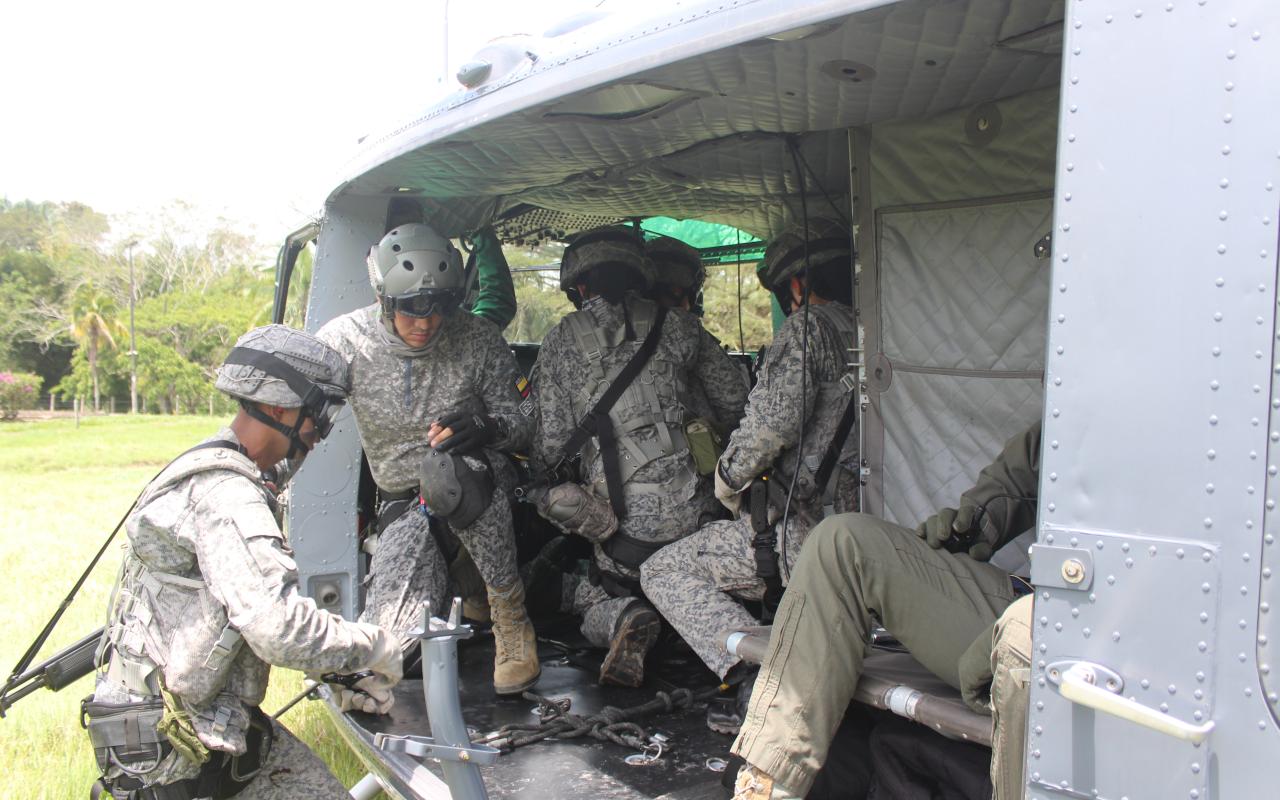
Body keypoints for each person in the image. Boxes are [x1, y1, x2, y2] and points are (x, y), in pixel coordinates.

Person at [86, 325, 403, 800]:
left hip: (216, 721)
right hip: (169, 745)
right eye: (321, 411)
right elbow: (278, 629)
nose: (322, 429)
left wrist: (336, 671)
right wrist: (373, 647)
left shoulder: (237, 475)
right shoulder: (226, 495)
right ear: (279, 407)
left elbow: (231, 617)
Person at [727, 422, 1041, 800]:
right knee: (841, 543)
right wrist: (969, 525)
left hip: (1086, 633)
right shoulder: (1070, 415)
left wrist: (1030, 621)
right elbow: (1015, 482)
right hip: (1028, 599)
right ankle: (766, 787)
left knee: (1021, 637)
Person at [640, 217, 859, 733]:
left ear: (797, 286)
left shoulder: (808, 330)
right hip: (868, 527)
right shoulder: (876, 326)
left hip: (807, 536)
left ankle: (758, 679)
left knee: (662, 570)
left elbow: (766, 431)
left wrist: (725, 480)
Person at [316, 222, 540, 696]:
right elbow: (296, 410)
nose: (426, 322)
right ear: (383, 300)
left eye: (439, 308)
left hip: (480, 483)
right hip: (404, 504)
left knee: (450, 475)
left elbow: (526, 422)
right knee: (395, 654)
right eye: (411, 310)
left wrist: (488, 427)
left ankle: (509, 612)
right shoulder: (346, 341)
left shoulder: (477, 339)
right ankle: (469, 583)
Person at [530, 224, 748, 686]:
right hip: (700, 523)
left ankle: (622, 614)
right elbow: (735, 402)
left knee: (581, 586)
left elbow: (550, 445)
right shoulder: (683, 327)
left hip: (626, 541)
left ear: (579, 286)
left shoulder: (560, 342)